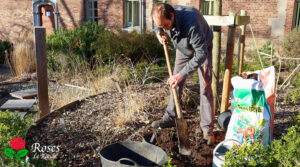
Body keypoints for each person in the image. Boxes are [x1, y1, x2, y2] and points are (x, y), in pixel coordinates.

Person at [151, 3, 215, 145]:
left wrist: (181, 75)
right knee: (175, 83)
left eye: (165, 26)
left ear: (172, 16)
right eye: (161, 26)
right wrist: (159, 34)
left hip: (202, 49)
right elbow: (157, 25)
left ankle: (207, 128)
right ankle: (170, 116)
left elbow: (201, 54)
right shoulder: (162, 16)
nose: (164, 28)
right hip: (182, 47)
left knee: (205, 87)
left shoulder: (192, 22)